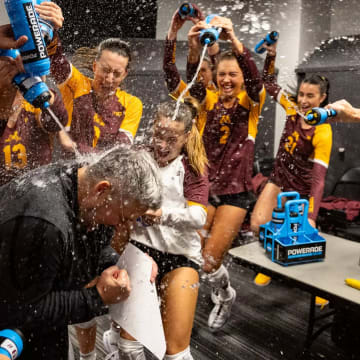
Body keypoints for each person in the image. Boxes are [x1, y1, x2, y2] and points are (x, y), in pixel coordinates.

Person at [0, 146, 162, 360]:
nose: (124, 227)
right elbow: (22, 310)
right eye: (123, 218)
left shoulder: (84, 181)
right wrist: (98, 297)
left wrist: (122, 264)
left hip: (36, 317)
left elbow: (90, 242)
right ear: (101, 190)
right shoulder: (45, 224)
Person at [102, 100, 209, 360]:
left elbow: (199, 216)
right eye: (159, 135)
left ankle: (115, 335)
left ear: (186, 136)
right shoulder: (139, 155)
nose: (162, 144)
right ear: (152, 128)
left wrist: (160, 216)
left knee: (176, 355)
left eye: (171, 138)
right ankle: (116, 338)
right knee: (130, 349)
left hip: (180, 256)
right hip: (141, 251)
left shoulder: (192, 166)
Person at [186, 17, 266, 330]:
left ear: (242, 78)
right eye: (222, 74)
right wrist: (193, 51)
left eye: (233, 74)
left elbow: (257, 82)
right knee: (193, 254)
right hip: (206, 188)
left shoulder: (251, 103)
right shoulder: (209, 100)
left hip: (236, 193)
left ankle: (224, 295)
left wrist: (233, 38)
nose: (227, 79)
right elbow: (193, 85)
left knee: (209, 261)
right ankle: (214, 293)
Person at [250, 42, 332, 306]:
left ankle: (319, 284)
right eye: (302, 94)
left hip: (303, 190)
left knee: (305, 235)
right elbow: (268, 81)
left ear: (322, 99)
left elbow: (319, 180)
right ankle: (273, 263)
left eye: (311, 96)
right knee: (258, 225)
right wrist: (270, 56)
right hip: (279, 179)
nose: (305, 101)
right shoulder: (292, 107)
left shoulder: (323, 131)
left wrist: (311, 214)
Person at [35, 1, 143, 154]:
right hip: (71, 172)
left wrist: (76, 145)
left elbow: (120, 148)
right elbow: (57, 61)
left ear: (125, 74)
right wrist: (52, 30)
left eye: (117, 74)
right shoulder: (77, 85)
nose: (109, 79)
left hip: (106, 176)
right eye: (105, 70)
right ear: (94, 67)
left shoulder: (132, 104)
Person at [0, 33, 68, 186]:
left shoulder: (34, 100)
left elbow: (57, 121)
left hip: (37, 193)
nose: (15, 67)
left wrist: (41, 83)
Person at [163, 4, 218, 135]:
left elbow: (218, 64)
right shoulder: (186, 93)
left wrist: (207, 31)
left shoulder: (220, 94)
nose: (199, 74)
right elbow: (168, 68)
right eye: (198, 70)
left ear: (212, 72)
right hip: (189, 150)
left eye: (204, 70)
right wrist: (173, 31)